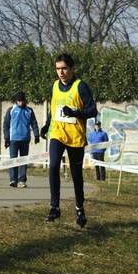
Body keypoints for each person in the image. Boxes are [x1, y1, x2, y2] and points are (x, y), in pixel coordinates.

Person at [40, 53, 97, 228]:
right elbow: (53, 108)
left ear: (72, 69)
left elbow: (93, 110)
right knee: (54, 165)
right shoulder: (54, 86)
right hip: (58, 133)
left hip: (75, 137)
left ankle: (79, 208)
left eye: (64, 68)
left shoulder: (80, 86)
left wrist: (75, 113)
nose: (61, 72)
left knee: (76, 174)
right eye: (58, 69)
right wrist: (46, 124)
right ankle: (55, 207)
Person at [3, 91, 40, 188]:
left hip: (25, 138)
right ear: (16, 101)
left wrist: (36, 135)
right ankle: (13, 179)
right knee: (13, 159)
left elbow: (34, 123)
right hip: (13, 139)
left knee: (23, 160)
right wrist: (6, 138)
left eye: (22, 101)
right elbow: (6, 124)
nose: (21, 103)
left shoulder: (29, 110)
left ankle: (22, 180)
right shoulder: (11, 110)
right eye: (19, 101)